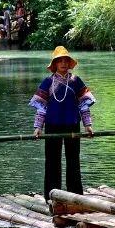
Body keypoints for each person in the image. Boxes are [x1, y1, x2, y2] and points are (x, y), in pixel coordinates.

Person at [31, 46, 96, 197]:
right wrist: (38, 128)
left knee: (73, 160)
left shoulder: (76, 81)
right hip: (52, 125)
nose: (63, 64)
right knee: (52, 161)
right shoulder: (47, 82)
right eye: (59, 61)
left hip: (72, 125)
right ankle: (52, 195)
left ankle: (75, 195)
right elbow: (41, 108)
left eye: (66, 60)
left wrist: (88, 125)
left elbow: (84, 105)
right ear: (54, 64)